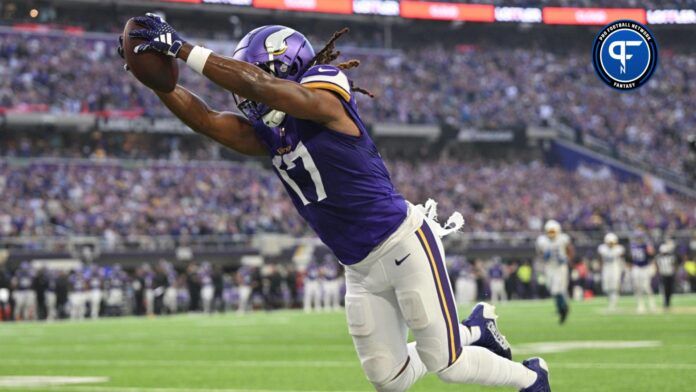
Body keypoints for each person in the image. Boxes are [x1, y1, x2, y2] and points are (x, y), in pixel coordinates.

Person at [119, 16, 549, 391]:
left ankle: (532, 379)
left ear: (287, 69)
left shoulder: (325, 91)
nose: (245, 94)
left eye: (257, 75)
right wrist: (159, 85)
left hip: (403, 243)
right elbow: (208, 121)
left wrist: (184, 49)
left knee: (448, 366)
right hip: (358, 267)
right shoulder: (271, 134)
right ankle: (474, 330)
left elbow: (264, 87)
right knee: (390, 379)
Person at [536, 220, 573, 324]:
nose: (551, 234)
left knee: (557, 289)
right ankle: (561, 308)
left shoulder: (563, 239)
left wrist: (567, 259)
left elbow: (570, 250)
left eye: (553, 232)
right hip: (549, 267)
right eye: (550, 232)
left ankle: (563, 310)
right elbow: (539, 253)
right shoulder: (542, 241)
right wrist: (544, 257)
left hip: (560, 267)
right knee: (552, 290)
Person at [628, 232, 657, 314]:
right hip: (636, 267)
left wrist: (652, 265)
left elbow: (652, 256)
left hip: (645, 267)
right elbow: (631, 258)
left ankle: (652, 303)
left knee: (646, 286)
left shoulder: (646, 246)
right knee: (637, 287)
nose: (639, 239)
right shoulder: (633, 246)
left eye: (640, 238)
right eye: (637, 238)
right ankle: (640, 305)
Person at [598, 233, 625, 311]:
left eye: (612, 242)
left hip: (615, 268)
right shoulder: (602, 248)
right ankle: (611, 302)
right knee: (606, 287)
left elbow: (622, 257)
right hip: (606, 268)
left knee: (615, 287)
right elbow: (600, 258)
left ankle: (613, 304)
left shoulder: (619, 249)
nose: (610, 244)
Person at [655, 239, 678, 310]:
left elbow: (674, 265)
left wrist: (674, 272)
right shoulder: (658, 257)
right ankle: (665, 303)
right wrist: (658, 272)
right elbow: (657, 266)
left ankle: (668, 302)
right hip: (664, 275)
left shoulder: (671, 257)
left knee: (670, 289)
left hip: (670, 274)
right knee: (665, 289)